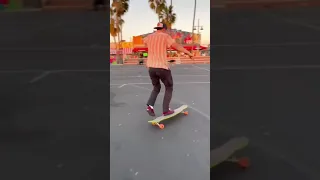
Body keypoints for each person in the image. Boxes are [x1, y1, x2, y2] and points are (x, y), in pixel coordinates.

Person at [143, 22, 193, 116]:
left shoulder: (149, 37)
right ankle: (166, 110)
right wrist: (188, 53)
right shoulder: (165, 36)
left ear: (157, 28)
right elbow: (177, 46)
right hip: (162, 67)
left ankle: (150, 106)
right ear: (164, 29)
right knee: (169, 87)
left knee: (156, 87)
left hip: (151, 67)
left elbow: (144, 41)